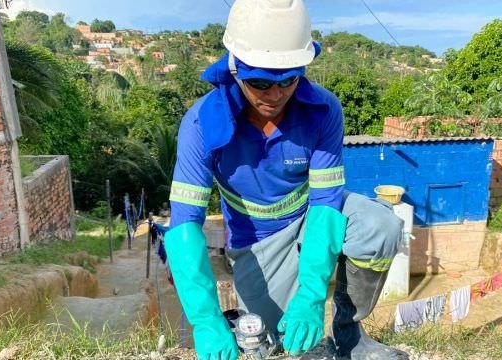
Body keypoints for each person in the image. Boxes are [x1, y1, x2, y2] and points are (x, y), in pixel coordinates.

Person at [164, 0, 407, 359]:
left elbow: (326, 203)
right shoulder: (202, 125)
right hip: (258, 241)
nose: (275, 95)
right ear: (235, 68)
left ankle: (349, 337)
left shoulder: (323, 111)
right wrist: (205, 320)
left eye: (288, 79)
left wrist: (311, 296)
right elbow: (185, 225)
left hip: (311, 217)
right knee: (270, 344)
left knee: (379, 225)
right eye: (260, 82)